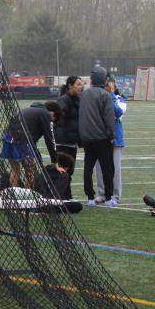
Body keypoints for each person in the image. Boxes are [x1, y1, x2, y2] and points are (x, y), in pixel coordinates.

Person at [1, 101, 64, 188]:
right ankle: (29, 194)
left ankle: (13, 192)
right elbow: (50, 139)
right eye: (54, 117)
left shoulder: (29, 110)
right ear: (52, 112)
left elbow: (32, 143)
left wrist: (39, 159)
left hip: (7, 138)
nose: (52, 119)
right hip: (21, 140)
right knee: (31, 171)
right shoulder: (45, 114)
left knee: (15, 168)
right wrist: (55, 161)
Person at [78, 66, 116, 207]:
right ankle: (109, 198)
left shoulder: (84, 94)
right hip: (102, 138)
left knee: (88, 168)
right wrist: (111, 135)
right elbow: (109, 117)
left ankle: (90, 197)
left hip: (87, 138)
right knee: (107, 169)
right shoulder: (105, 95)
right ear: (103, 79)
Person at [94, 78, 126, 204]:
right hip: (100, 137)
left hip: (115, 139)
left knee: (115, 169)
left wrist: (111, 94)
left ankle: (115, 195)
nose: (106, 88)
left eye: (109, 85)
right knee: (99, 167)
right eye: (105, 85)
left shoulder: (120, 99)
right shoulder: (98, 99)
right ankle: (102, 194)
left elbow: (118, 113)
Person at [56, 76, 82, 175]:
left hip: (72, 142)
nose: (80, 87)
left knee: (69, 172)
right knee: (63, 172)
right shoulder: (63, 100)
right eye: (78, 84)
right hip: (63, 142)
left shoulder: (78, 99)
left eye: (81, 85)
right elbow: (58, 117)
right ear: (70, 86)